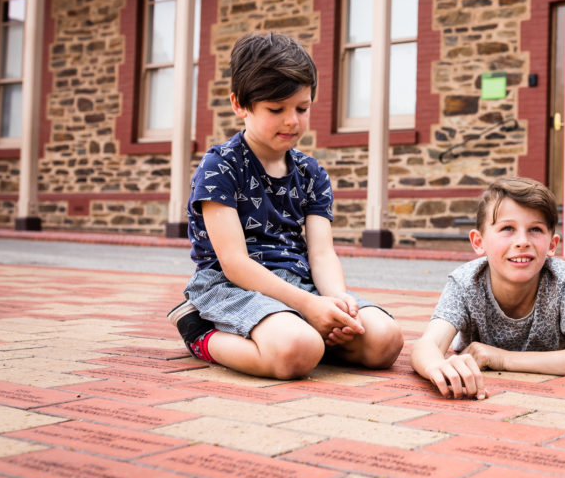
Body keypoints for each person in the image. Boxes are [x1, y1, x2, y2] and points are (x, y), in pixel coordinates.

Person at [167, 32, 404, 379]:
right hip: (234, 287)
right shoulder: (220, 167)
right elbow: (234, 264)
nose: (292, 120)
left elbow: (321, 254)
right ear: (239, 104)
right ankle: (201, 335)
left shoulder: (311, 173)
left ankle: (302, 336)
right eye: (276, 109)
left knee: (385, 341)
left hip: (300, 284)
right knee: (297, 351)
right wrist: (309, 306)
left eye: (302, 108)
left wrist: (335, 301)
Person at [411, 177, 565, 399]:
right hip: (542, 271)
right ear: (478, 242)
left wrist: (501, 358)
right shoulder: (466, 282)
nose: (522, 241)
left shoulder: (562, 282)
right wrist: (436, 367)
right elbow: (426, 345)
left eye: (535, 229)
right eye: (507, 228)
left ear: (552, 245)